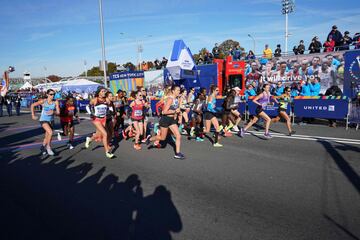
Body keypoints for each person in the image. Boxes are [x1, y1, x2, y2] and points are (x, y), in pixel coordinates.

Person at [147, 85, 185, 159]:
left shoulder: (176, 99)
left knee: (178, 136)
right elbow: (164, 112)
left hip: (172, 121)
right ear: (173, 91)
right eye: (177, 90)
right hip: (165, 120)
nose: (179, 91)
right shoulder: (170, 99)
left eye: (179, 90)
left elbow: (176, 109)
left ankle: (177, 153)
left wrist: (177, 114)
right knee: (162, 138)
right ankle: (150, 139)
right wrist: (174, 111)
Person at [85, 87, 114, 159]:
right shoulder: (95, 100)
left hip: (103, 119)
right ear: (99, 93)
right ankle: (107, 152)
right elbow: (87, 106)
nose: (104, 92)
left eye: (105, 91)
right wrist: (91, 113)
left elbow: (110, 107)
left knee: (98, 135)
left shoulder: (106, 100)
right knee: (105, 134)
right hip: (96, 119)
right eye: (103, 91)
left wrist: (110, 111)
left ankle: (89, 139)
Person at [31, 89, 60, 156]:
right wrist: (33, 115)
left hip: (51, 121)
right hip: (43, 120)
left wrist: (54, 112)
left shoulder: (56, 102)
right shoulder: (44, 101)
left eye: (53, 94)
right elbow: (32, 105)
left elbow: (58, 113)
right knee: (50, 132)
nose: (52, 96)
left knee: (47, 136)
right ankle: (48, 147)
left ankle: (43, 147)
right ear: (47, 95)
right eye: (51, 94)